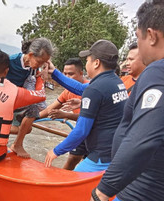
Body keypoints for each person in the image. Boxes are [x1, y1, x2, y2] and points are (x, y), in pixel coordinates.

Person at [84, 1, 164, 201]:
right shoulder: (118, 82)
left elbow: (143, 140)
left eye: (137, 38)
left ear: (150, 35)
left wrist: (101, 193)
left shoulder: (157, 72)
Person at [44, 39, 128, 172]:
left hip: (101, 157)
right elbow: (80, 88)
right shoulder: (115, 81)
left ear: (96, 63)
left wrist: (56, 151)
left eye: (87, 60)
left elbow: (81, 130)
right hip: (117, 151)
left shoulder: (95, 88)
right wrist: (54, 73)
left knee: (70, 187)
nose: (86, 64)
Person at [0, 38, 54, 158]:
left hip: (16, 99)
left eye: (43, 63)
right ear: (30, 55)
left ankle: (14, 143)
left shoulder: (33, 66)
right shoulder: (11, 60)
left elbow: (47, 62)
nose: (40, 65)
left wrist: (45, 68)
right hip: (1, 98)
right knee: (29, 115)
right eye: (39, 62)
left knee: (28, 128)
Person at [38, 58, 89, 170]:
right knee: (71, 160)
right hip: (81, 133)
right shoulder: (67, 91)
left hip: (92, 133)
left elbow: (88, 119)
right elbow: (49, 110)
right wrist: (32, 118)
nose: (67, 78)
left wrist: (66, 115)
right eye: (64, 74)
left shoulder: (90, 89)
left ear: (81, 73)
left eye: (70, 74)